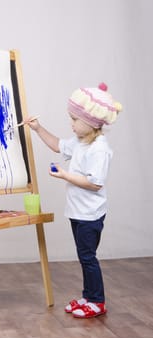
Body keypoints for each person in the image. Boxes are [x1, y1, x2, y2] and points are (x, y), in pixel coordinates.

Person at [26, 82, 122, 318]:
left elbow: (95, 183)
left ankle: (97, 301)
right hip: (78, 212)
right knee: (83, 255)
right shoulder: (80, 141)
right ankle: (87, 297)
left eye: (75, 120)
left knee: (88, 257)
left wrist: (65, 175)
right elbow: (57, 145)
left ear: (91, 122)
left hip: (90, 214)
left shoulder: (99, 149)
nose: (71, 124)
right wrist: (38, 129)